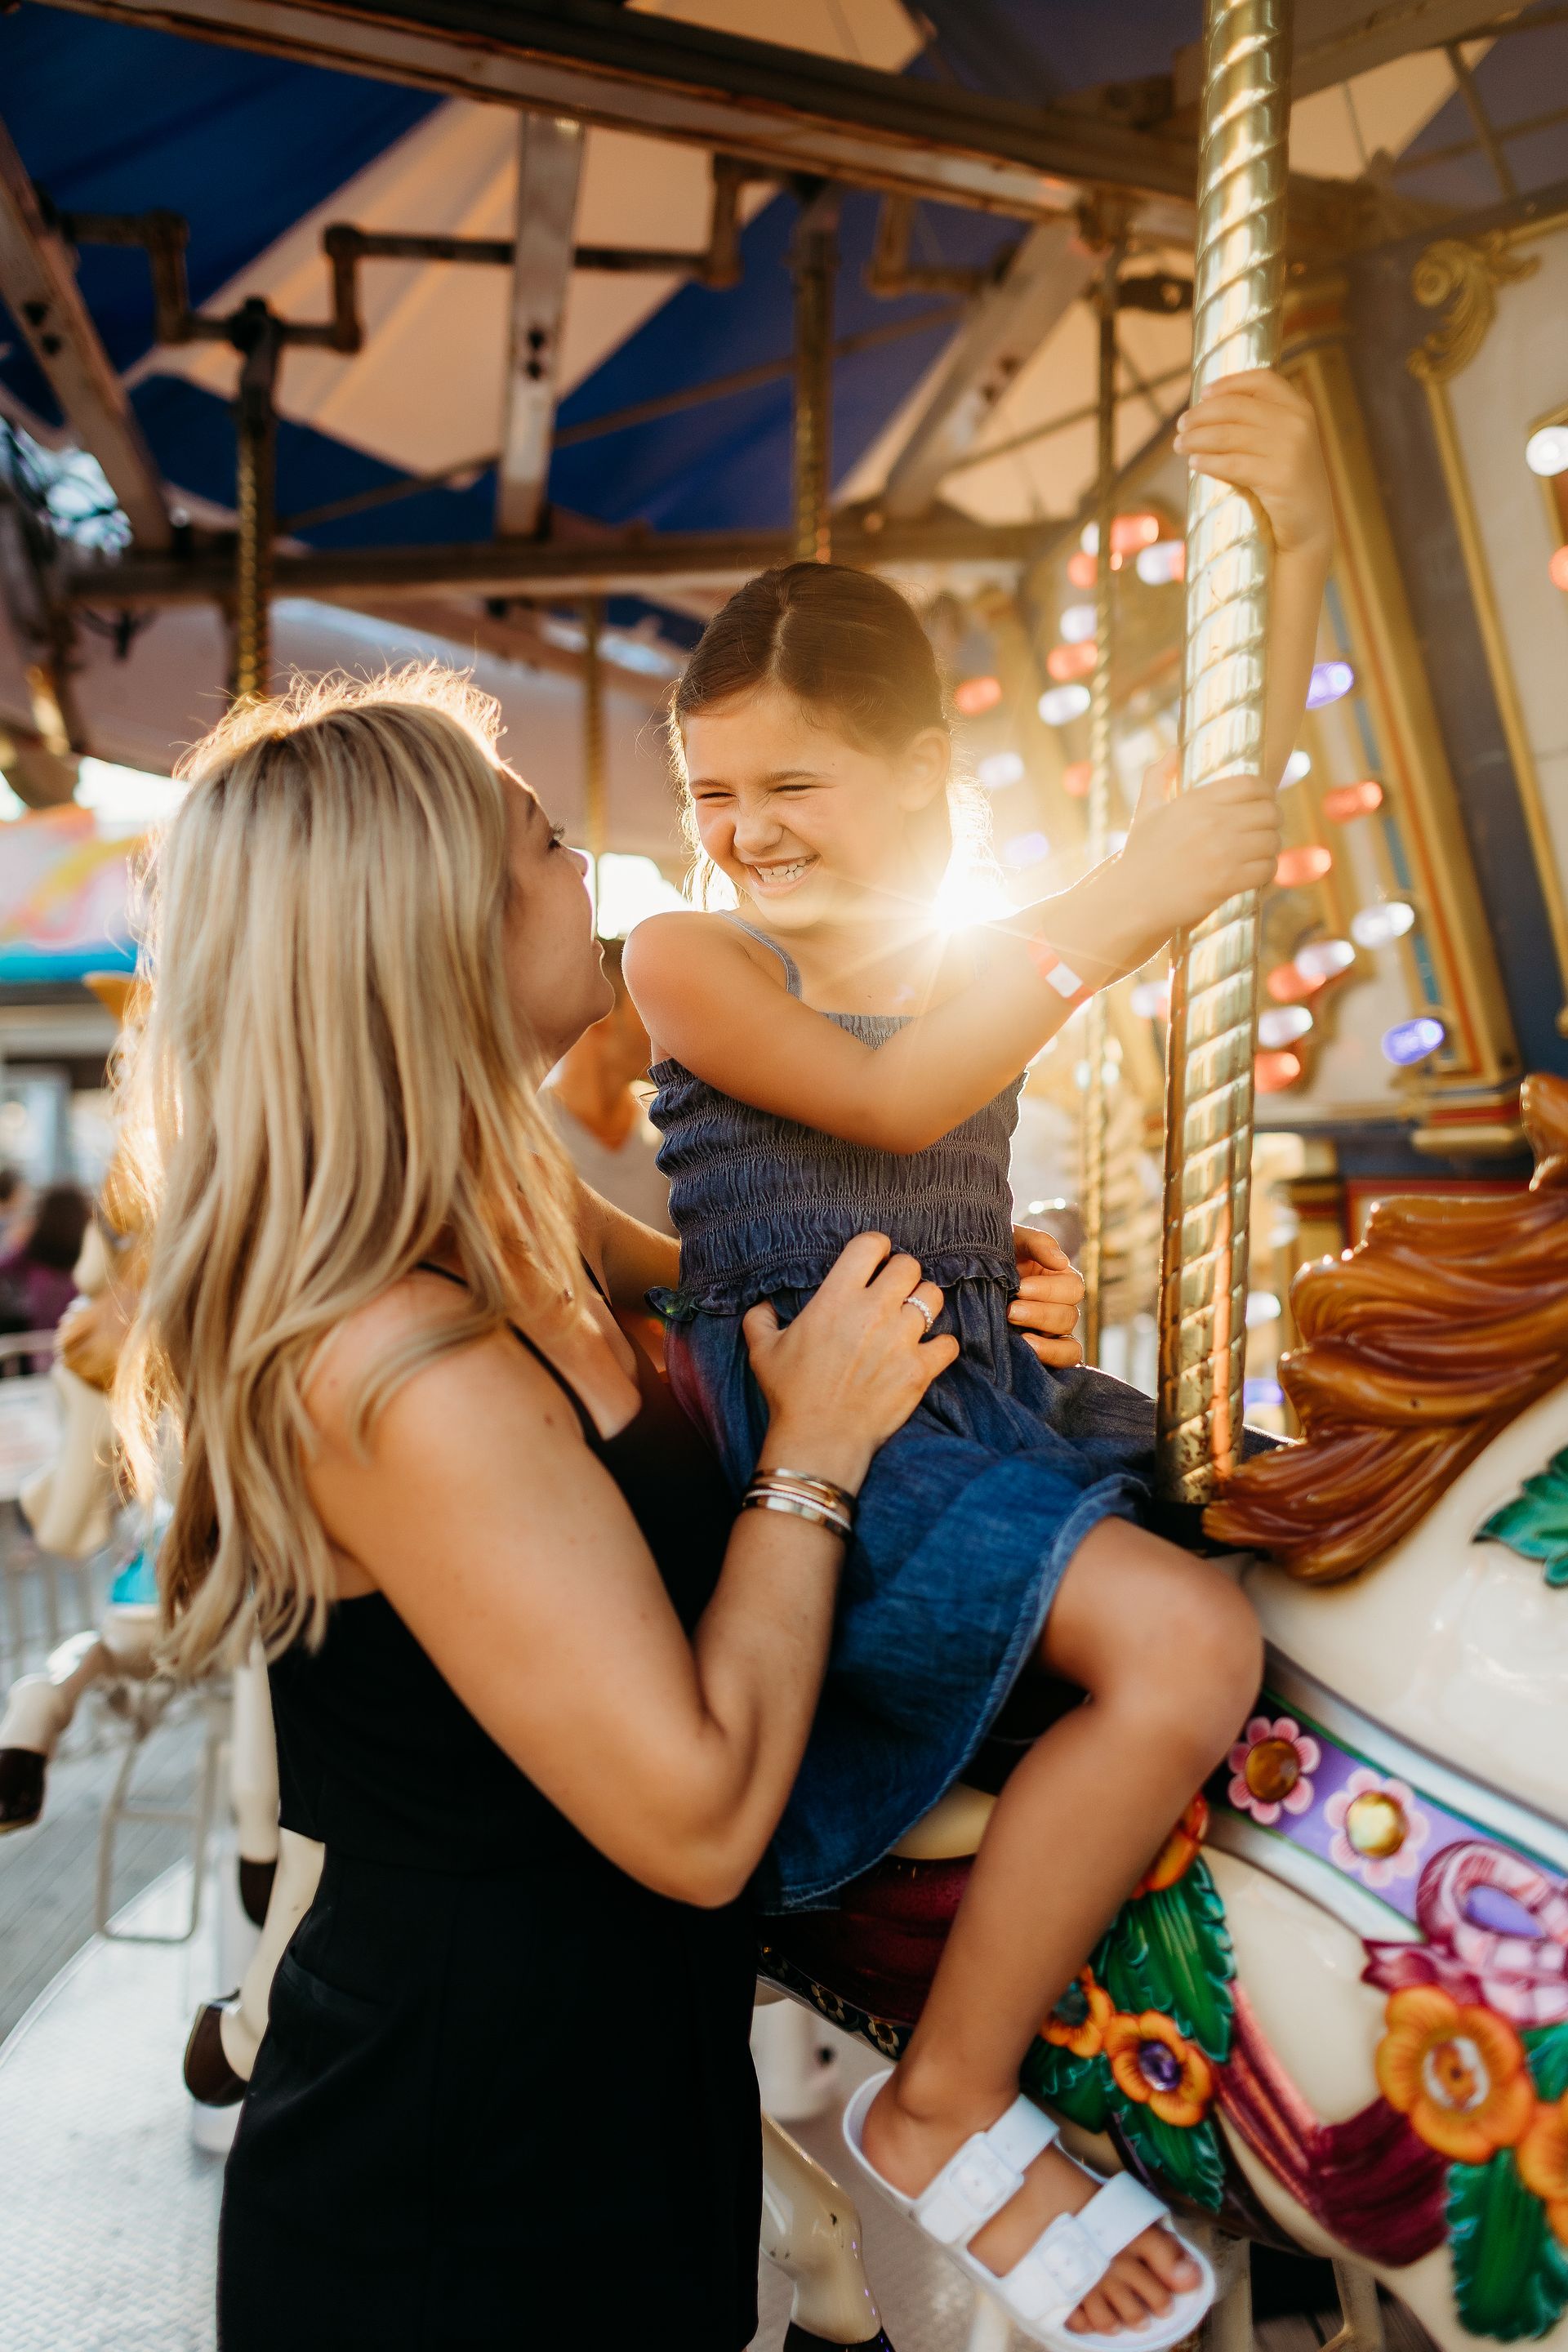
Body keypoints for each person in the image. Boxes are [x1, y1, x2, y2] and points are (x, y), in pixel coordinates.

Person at [109, 668, 1083, 2352]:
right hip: (466, 2171)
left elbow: (743, 1296)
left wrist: (953, 1298)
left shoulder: (516, 1224)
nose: (599, 875)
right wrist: (820, 1449)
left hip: (621, 2086)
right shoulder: (404, 1364)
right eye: (550, 842)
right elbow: (696, 1817)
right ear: (438, 931)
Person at [626, 371, 1333, 2345]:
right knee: (1186, 1644)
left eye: (789, 786)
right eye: (712, 795)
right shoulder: (687, 957)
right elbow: (905, 1082)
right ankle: (944, 2092)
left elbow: (1214, 827)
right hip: (836, 1431)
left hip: (980, 1396)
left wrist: (1296, 548)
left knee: (1280, 1558)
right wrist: (1111, 904)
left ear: (925, 768)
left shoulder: (974, 936)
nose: (740, 831)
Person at [546, 935, 673, 1232]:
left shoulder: (672, 1123)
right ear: (601, 1015)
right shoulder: (522, 1134)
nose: (668, 1023)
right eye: (649, 1003)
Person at [0, 1181, 91, 1370]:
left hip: (37, 1353)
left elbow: (4, 1265)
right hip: (80, 1354)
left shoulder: (32, 1253)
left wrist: (13, 1240)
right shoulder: (89, 1259)